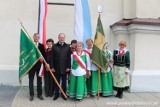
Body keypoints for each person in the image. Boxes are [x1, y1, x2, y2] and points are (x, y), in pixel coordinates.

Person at [50, 33, 71, 100]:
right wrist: (52, 67)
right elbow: (52, 58)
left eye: (63, 37)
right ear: (58, 38)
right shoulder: (54, 46)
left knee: (64, 83)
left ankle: (63, 94)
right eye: (60, 37)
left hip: (65, 68)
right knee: (57, 82)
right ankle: (56, 94)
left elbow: (69, 58)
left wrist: (68, 67)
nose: (62, 38)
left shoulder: (68, 46)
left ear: (64, 38)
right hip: (56, 68)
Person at [28, 33, 46, 101]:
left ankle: (39, 94)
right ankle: (31, 95)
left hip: (39, 66)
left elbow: (44, 56)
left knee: (39, 81)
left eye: (38, 37)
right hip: (31, 66)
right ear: (33, 37)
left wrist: (45, 64)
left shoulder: (41, 46)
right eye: (35, 36)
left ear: (39, 38)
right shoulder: (30, 45)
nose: (36, 38)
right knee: (31, 80)